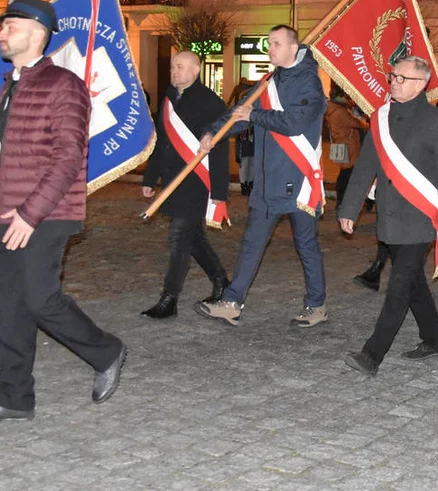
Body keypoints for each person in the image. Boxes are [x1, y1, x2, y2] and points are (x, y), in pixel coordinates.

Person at [0, 0, 126, 423]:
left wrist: (30, 213)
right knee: (9, 307)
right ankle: (14, 397)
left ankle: (107, 351)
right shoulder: (10, 84)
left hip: (47, 214)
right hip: (5, 213)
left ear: (37, 33)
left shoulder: (64, 85)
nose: (1, 33)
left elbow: (69, 157)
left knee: (39, 300)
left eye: (9, 27)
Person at [195, 25, 328, 328]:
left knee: (306, 245)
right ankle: (231, 302)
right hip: (268, 181)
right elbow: (239, 113)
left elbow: (293, 122)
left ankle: (316, 305)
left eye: (276, 44)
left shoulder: (310, 83)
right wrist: (212, 134)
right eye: (269, 44)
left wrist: (252, 116)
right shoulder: (269, 81)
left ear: (294, 49)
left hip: (299, 180)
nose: (270, 49)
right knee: (252, 243)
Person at [338, 57, 438, 375]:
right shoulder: (380, 118)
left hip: (421, 219)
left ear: (421, 85)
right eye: (392, 76)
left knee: (399, 285)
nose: (393, 81)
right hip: (390, 218)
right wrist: (349, 208)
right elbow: (365, 166)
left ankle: (371, 355)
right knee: (414, 284)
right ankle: (435, 340)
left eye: (401, 78)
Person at [139, 51, 231, 320]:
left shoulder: (210, 102)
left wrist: (219, 193)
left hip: (196, 183)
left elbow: (220, 149)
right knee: (194, 241)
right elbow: (161, 142)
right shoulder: (169, 98)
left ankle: (169, 299)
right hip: (172, 181)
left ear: (195, 71)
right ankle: (222, 282)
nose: (174, 71)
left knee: (179, 238)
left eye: (180, 67)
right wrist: (149, 178)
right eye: (172, 67)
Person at [324, 84, 367, 209]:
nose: (348, 99)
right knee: (346, 175)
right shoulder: (340, 111)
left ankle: (342, 202)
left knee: (345, 174)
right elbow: (357, 123)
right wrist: (362, 120)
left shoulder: (333, 109)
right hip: (348, 146)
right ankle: (343, 202)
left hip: (341, 145)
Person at [227, 79, 256, 195]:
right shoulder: (239, 111)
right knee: (244, 163)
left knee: (252, 162)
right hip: (244, 140)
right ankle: (245, 185)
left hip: (253, 139)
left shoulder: (255, 110)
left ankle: (250, 184)